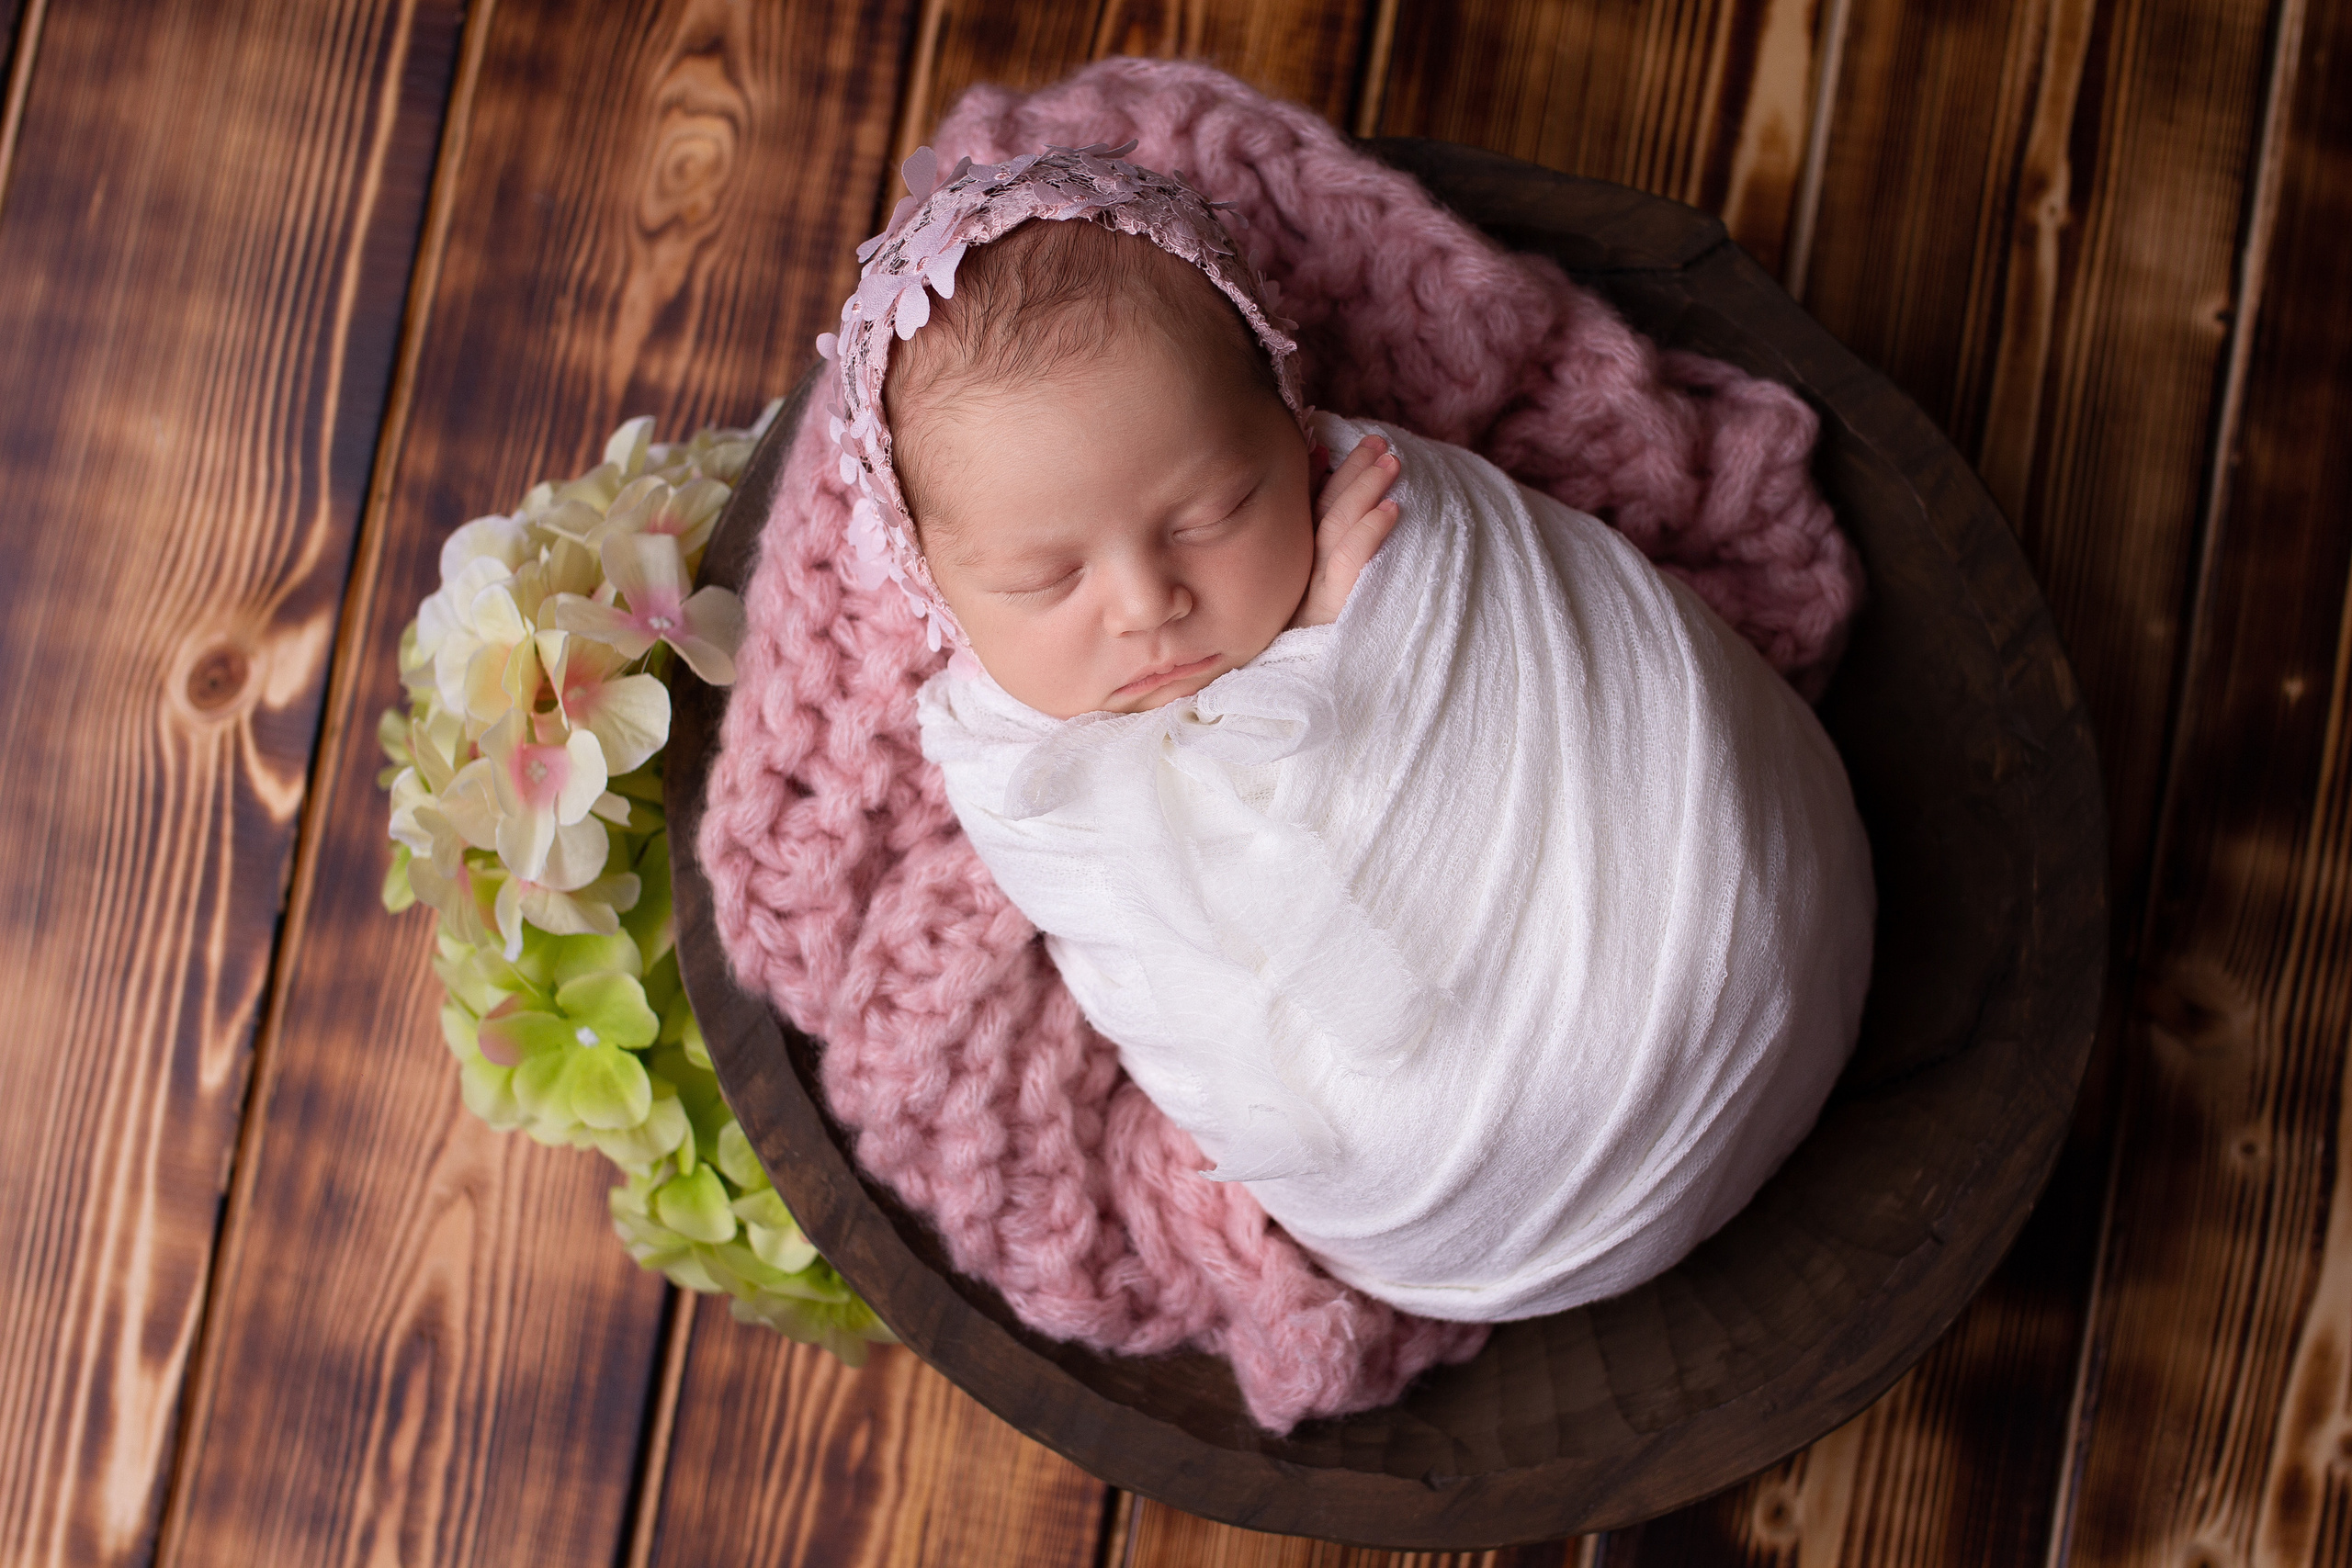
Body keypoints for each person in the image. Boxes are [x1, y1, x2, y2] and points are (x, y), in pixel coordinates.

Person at [816, 142, 1875, 1321]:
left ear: (1289, 420)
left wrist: (1334, 639)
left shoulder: (1385, 515)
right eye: (1040, 578)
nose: (1145, 603)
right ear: (936, 589)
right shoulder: (995, 749)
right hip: (1476, 1196)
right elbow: (1137, 892)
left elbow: (1552, 678)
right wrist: (1288, 677)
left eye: (1215, 510)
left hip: (1751, 936)